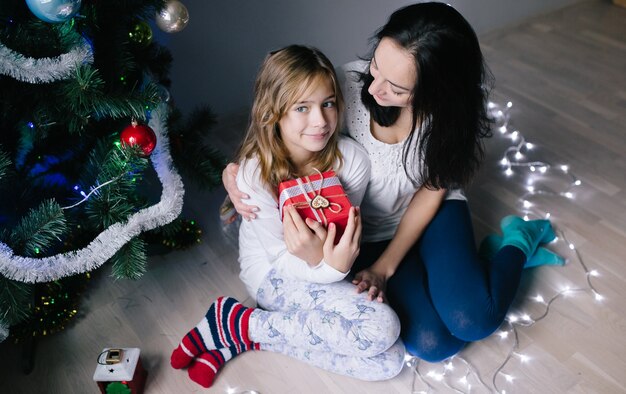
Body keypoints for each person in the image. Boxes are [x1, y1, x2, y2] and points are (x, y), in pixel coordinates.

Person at [223, 3, 564, 364]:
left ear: (437, 91)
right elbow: (290, 128)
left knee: (474, 320)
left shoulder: (450, 120)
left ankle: (516, 242)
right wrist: (237, 171)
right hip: (366, 230)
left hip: (432, 213)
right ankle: (464, 270)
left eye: (397, 87)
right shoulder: (347, 88)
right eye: (376, 67)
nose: (374, 88)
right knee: (435, 345)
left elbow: (433, 191)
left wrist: (387, 267)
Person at [170, 45, 405, 388]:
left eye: (327, 103)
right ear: (273, 113)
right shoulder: (255, 175)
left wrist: (326, 261)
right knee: (383, 328)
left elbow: (340, 234)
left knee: (389, 362)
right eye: (301, 108)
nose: (320, 121)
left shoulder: (351, 160)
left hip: (319, 265)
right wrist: (329, 267)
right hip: (271, 273)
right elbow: (282, 258)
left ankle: (245, 330)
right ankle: (242, 323)